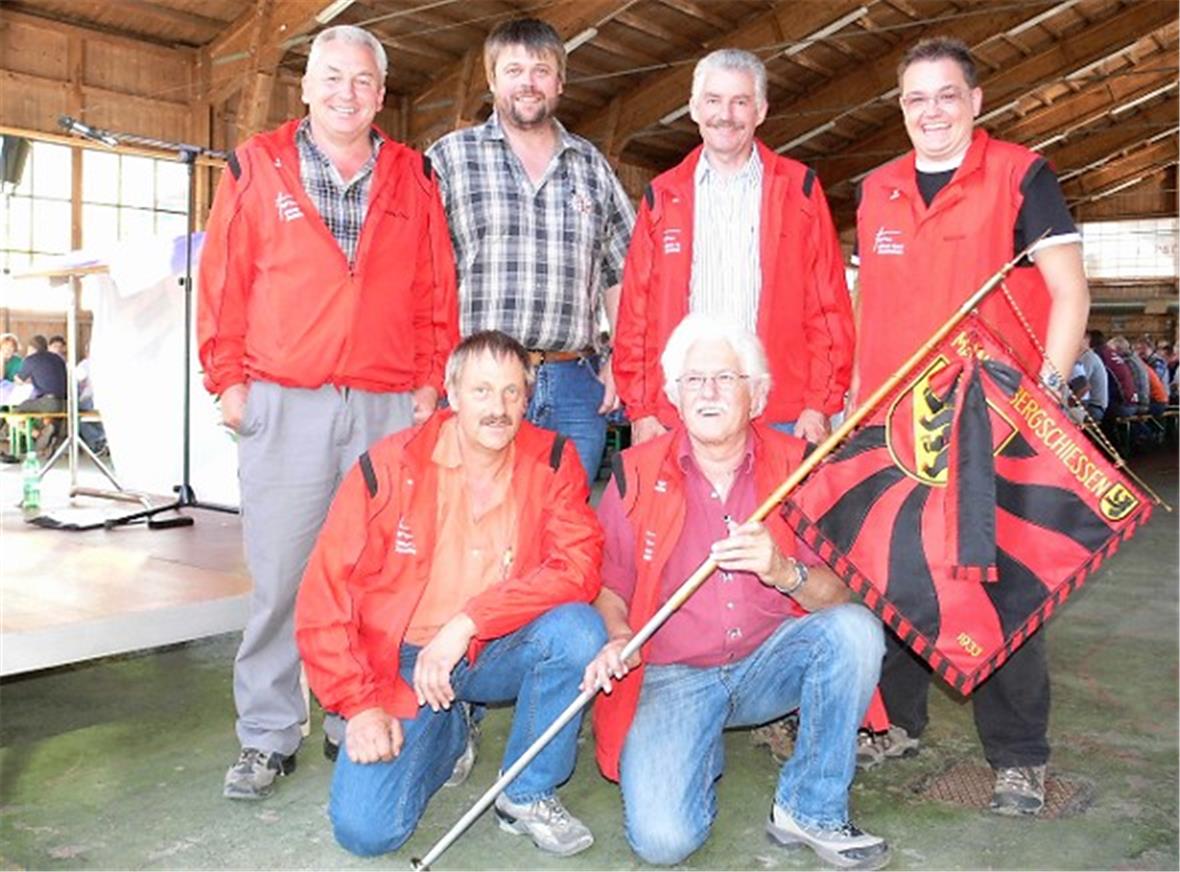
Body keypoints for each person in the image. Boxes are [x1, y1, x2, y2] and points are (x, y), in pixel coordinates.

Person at [198, 24, 459, 800]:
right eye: (333, 79)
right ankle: (269, 733)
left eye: (363, 83)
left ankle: (359, 711)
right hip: (285, 399)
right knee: (282, 575)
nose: (347, 94)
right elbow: (224, 279)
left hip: (385, 404)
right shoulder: (255, 165)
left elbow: (434, 291)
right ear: (306, 88)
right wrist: (227, 379)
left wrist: (427, 381)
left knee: (376, 573)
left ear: (381, 97)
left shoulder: (413, 178)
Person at [852, 37, 1091, 816]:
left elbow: (1069, 293)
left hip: (993, 421)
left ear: (976, 101)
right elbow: (873, 309)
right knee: (896, 572)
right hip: (897, 422)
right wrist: (860, 403)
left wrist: (1045, 401)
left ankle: (1019, 756)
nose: (932, 111)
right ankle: (898, 722)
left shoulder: (1022, 175)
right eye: (916, 98)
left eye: (947, 95)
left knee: (1000, 584)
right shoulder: (879, 188)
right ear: (900, 107)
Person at [586, 315, 888, 869]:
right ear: (674, 397)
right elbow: (609, 587)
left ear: (758, 394)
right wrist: (619, 636)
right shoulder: (633, 471)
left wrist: (782, 570)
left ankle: (810, 807)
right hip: (673, 674)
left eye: (725, 378)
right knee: (662, 843)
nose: (708, 392)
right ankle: (694, 742)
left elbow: (842, 595)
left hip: (768, 664)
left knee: (856, 633)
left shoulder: (799, 468)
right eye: (693, 380)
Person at [295, 330, 606, 858]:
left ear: (527, 399)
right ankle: (451, 729)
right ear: (452, 393)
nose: (498, 408)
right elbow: (324, 596)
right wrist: (360, 705)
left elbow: (579, 566)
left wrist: (468, 622)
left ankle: (526, 790)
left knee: (578, 630)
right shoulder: (389, 467)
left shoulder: (553, 459)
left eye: (512, 393)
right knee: (366, 832)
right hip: (403, 663)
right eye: (482, 391)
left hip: (494, 646)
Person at [426, 17, 635, 483]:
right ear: (492, 79)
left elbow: (625, 271)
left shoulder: (592, 168)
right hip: (480, 382)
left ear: (559, 82)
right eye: (513, 69)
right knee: (473, 528)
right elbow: (416, 272)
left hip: (572, 383)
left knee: (564, 535)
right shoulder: (450, 160)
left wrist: (621, 359)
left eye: (540, 70)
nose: (528, 83)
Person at [615, 49, 853, 446]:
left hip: (780, 413)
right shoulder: (662, 196)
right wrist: (640, 409)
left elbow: (828, 307)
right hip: (681, 412)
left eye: (739, 102)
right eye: (713, 100)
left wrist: (820, 404)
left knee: (777, 511)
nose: (725, 114)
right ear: (693, 108)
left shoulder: (801, 191)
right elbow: (635, 314)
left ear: (760, 110)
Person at [1075, 333, 1108, 423]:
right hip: (1095, 406)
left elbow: (1083, 386)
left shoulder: (1087, 358)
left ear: (1086, 340)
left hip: (1093, 408)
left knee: (1061, 414)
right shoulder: (1089, 356)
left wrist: (1070, 403)